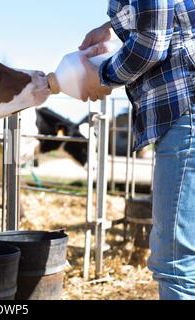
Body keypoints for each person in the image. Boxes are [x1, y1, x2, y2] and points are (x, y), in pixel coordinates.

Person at [80, 0, 195, 300]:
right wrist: (111, 28)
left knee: (175, 262)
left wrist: (102, 74)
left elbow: (152, 43)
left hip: (186, 109)